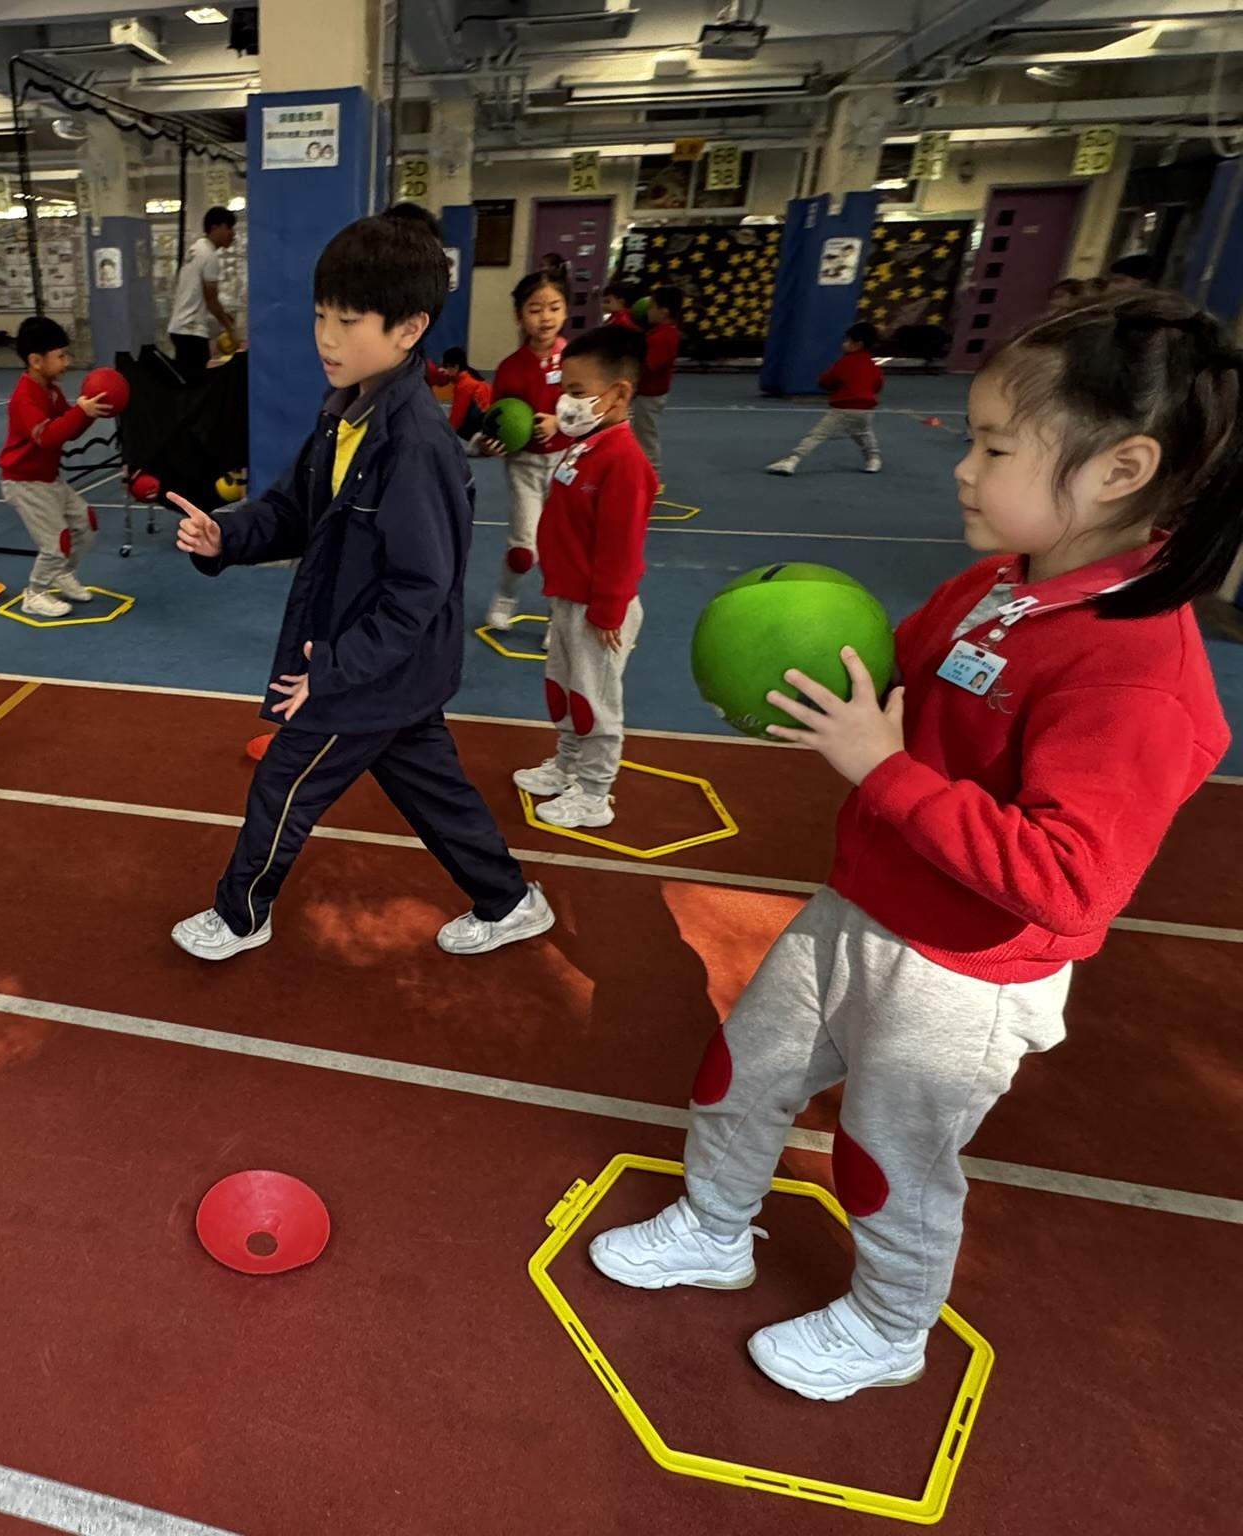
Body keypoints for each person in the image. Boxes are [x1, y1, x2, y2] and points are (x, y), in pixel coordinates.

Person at [588, 290, 1237, 1403]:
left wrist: (881, 770)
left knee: (887, 1160)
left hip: (965, 975)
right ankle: (711, 1226)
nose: (963, 469)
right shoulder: (997, 581)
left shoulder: (1135, 671)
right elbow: (896, 674)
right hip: (863, 903)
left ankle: (890, 1327)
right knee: (742, 1070)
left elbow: (1070, 882)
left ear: (1120, 471)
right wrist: (800, 666)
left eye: (994, 447)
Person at [168, 215, 553, 963]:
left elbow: (419, 589)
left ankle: (241, 915)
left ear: (409, 328)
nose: (327, 338)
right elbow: (293, 512)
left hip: (364, 667)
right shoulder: (344, 413)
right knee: (432, 789)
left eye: (348, 322)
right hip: (385, 666)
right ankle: (510, 900)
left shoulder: (415, 446)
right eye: (321, 316)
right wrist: (226, 537)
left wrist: (335, 671)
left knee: (283, 784)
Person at [509, 324, 655, 833]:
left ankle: (594, 792)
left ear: (618, 394)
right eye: (564, 390)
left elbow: (621, 547)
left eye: (576, 391)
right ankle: (567, 764)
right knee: (565, 689)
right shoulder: (586, 445)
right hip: (568, 598)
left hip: (598, 608)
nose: (565, 402)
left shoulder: (624, 461)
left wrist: (607, 610)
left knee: (596, 702)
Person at [0, 316, 111, 618]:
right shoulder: (25, 397)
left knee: (86, 524)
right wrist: (80, 412)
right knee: (56, 542)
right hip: (24, 482)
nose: (66, 362)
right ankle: (34, 593)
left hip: (47, 478)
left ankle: (62, 573)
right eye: (60, 356)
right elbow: (47, 437)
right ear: (36, 361)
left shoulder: (51, 391)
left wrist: (88, 413)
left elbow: (68, 430)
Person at [476, 268, 570, 629]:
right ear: (519, 315)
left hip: (568, 465)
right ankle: (505, 597)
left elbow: (593, 408)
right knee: (523, 549)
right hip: (524, 466)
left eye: (554, 307)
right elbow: (497, 420)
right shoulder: (510, 368)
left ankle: (558, 618)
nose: (545, 317)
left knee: (562, 547)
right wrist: (491, 443)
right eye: (535, 309)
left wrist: (560, 422)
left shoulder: (576, 358)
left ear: (565, 310)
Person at [768, 322, 884, 476]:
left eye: (847, 340)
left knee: (817, 435)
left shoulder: (845, 362)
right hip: (866, 409)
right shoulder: (872, 364)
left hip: (843, 409)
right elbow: (877, 384)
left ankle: (792, 461)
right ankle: (873, 459)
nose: (843, 344)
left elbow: (827, 381)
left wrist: (828, 385)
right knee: (864, 434)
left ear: (858, 344)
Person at [168, 206, 239, 372]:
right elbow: (211, 300)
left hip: (180, 328)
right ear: (215, 228)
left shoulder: (196, 249)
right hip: (191, 331)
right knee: (197, 382)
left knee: (187, 380)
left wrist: (223, 315)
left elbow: (203, 295)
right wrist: (229, 328)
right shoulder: (209, 255)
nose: (232, 233)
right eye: (229, 227)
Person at [633, 285, 683, 479]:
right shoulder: (658, 333)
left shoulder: (663, 337)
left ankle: (653, 474)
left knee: (645, 434)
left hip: (650, 395)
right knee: (638, 431)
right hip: (646, 393)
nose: (649, 311)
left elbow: (649, 366)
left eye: (652, 306)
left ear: (664, 311)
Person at [435, 346, 491, 439]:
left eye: (445, 366)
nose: (442, 369)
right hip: (487, 422)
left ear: (456, 367)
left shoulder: (464, 385)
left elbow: (457, 419)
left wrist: (443, 436)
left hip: (480, 428)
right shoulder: (471, 375)